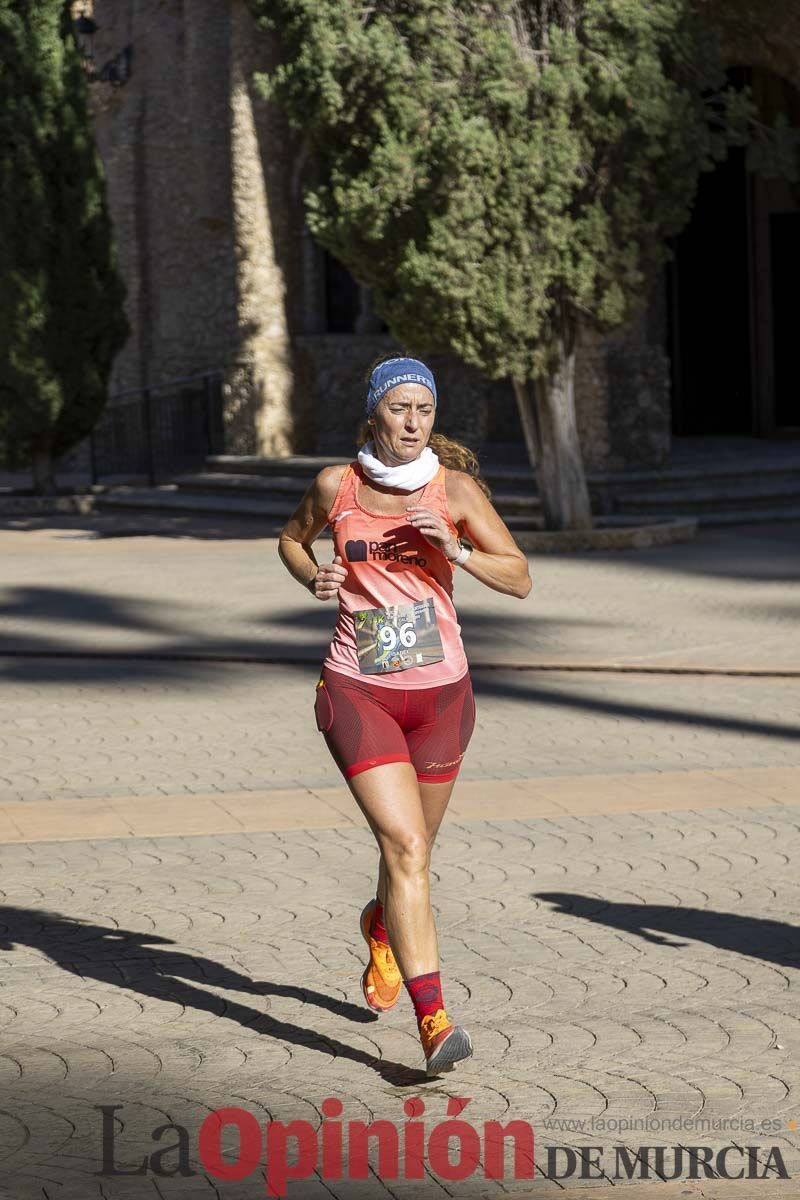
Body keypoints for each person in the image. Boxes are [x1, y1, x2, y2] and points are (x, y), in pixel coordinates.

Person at [278, 354, 531, 1075]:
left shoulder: (454, 491)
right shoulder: (337, 485)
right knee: (408, 850)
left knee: (414, 852)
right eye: (399, 408)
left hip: (443, 697)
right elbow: (292, 539)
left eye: (424, 409)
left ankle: (380, 923)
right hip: (360, 689)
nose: (413, 422)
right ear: (376, 413)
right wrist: (313, 574)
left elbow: (520, 577)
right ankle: (434, 1022)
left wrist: (458, 551)